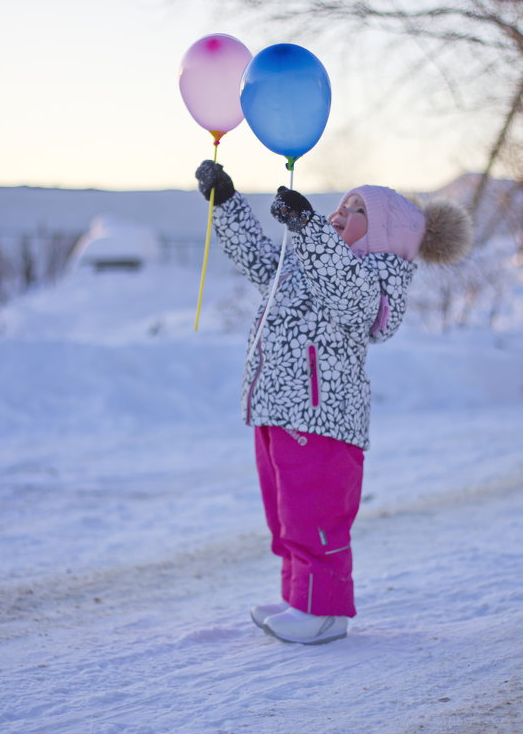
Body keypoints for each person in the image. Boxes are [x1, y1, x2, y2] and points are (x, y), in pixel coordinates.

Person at [195, 160, 472, 645]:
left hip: (323, 420)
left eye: (358, 209)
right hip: (277, 407)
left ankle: (324, 612)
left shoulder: (371, 278)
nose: (341, 211)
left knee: (313, 515)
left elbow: (348, 296)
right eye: (343, 203)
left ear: (384, 234)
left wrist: (308, 231)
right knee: (285, 514)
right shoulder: (308, 262)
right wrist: (228, 203)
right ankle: (296, 598)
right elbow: (259, 259)